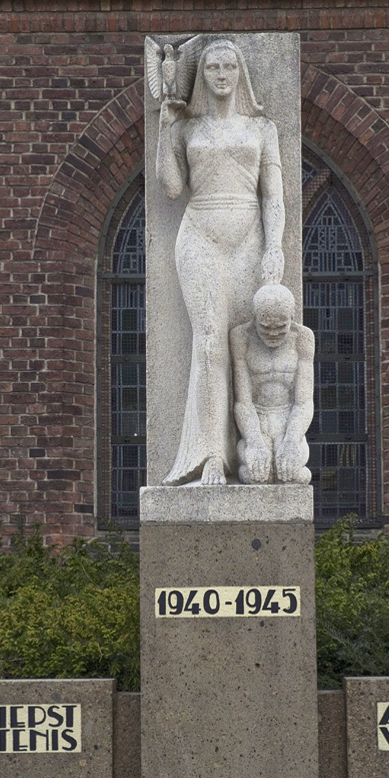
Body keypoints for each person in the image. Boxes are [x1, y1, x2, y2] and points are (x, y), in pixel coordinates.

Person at [156, 37, 286, 486]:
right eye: (212, 67)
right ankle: (211, 455)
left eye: (230, 66)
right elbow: (172, 188)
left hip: (248, 234)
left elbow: (273, 195)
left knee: (244, 345)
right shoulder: (188, 130)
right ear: (203, 76)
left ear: (241, 73)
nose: (221, 74)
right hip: (200, 235)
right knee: (209, 344)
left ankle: (251, 452)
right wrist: (164, 127)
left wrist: (275, 246)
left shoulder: (262, 129)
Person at [230, 284, 313, 485]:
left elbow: (303, 402)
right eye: (265, 327)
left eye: (281, 327)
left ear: (291, 317)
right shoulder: (241, 337)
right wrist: (255, 441)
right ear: (255, 317)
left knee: (293, 475)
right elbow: (243, 402)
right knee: (256, 475)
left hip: (289, 420)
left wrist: (292, 440)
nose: (273, 334)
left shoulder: (303, 337)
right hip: (257, 420)